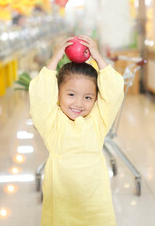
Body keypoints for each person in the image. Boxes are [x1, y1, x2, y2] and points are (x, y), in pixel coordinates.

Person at [29, 35, 124, 226]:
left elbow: (114, 91)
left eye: (88, 97)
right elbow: (40, 96)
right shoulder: (52, 123)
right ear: (57, 93)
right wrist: (54, 60)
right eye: (71, 94)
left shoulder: (98, 121)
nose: (79, 103)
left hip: (95, 205)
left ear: (96, 99)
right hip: (62, 206)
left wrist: (98, 57)